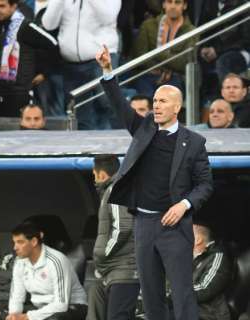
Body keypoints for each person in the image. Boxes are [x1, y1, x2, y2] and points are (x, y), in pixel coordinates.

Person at [97, 45, 213, 320]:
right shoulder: (144, 127)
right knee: (150, 294)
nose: (156, 106)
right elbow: (118, 104)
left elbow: (205, 185)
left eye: (162, 101)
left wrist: (184, 205)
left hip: (175, 227)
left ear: (177, 107)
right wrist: (107, 70)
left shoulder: (194, 142)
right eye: (155, 100)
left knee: (183, 293)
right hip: (145, 225)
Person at [41, 0, 120, 130]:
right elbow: (48, 24)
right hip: (71, 63)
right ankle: (88, 148)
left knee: (108, 102)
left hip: (101, 60)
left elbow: (108, 17)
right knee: (80, 111)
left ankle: (120, 144)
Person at [87, 155, 139, 320]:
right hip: (115, 270)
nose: (94, 180)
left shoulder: (116, 189)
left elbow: (123, 227)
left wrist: (103, 253)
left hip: (124, 270)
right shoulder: (115, 189)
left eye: (94, 175)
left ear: (101, 174)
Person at [0, 0, 58, 117]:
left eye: (2, 6)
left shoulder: (25, 27)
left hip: (18, 92)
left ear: (13, 7)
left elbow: (52, 45)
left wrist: (44, 72)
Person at [8, 222, 88, 320]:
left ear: (33, 242)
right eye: (14, 242)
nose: (15, 247)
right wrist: (14, 315)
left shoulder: (56, 261)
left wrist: (28, 317)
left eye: (20, 242)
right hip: (41, 308)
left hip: (72, 307)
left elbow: (61, 305)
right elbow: (17, 296)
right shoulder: (19, 262)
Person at [131, 0, 197, 98]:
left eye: (177, 2)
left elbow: (185, 63)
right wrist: (162, 68)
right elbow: (140, 57)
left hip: (176, 77)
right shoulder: (148, 25)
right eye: (169, 2)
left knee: (169, 94)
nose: (173, 6)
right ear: (164, 4)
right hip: (149, 74)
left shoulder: (191, 31)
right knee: (144, 94)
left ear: (185, 5)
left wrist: (156, 54)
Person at [192, 223, 232, 320]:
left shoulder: (218, 256)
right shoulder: (195, 255)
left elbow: (203, 289)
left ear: (198, 240)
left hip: (209, 315)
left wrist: (174, 294)